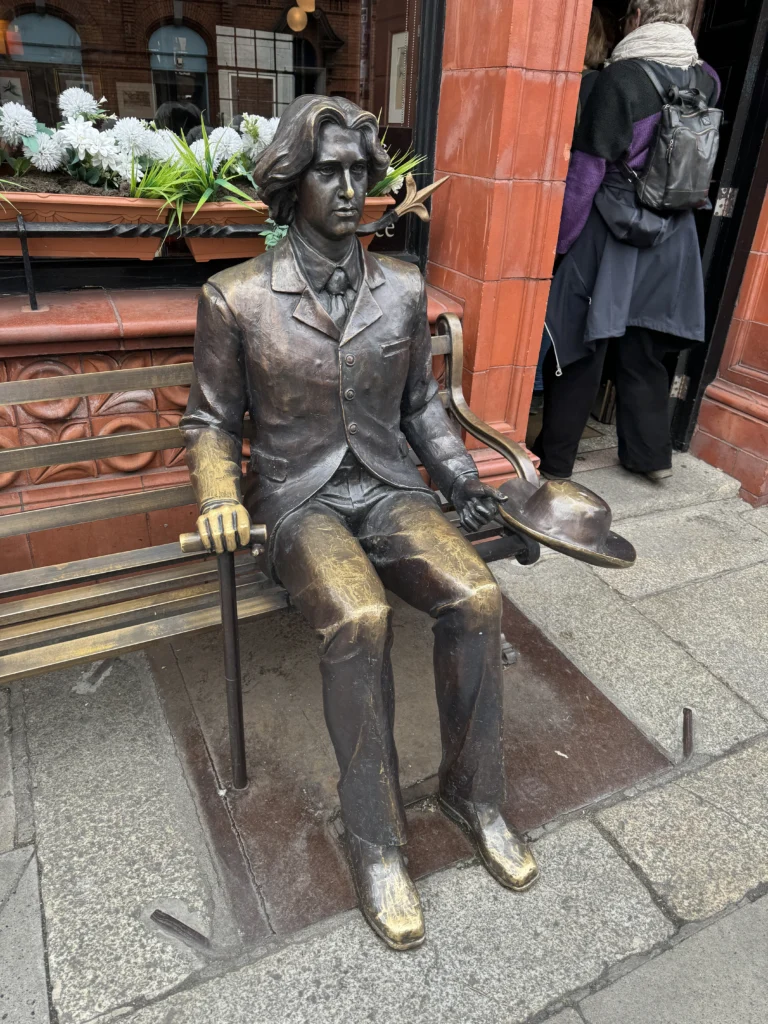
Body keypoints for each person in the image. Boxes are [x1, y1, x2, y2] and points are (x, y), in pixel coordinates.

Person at [180, 95, 539, 952]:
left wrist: (458, 478)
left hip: (386, 489)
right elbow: (208, 422)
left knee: (477, 596)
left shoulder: (403, 288)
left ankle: (474, 795)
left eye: (358, 173)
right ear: (290, 183)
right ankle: (376, 842)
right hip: (298, 502)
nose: (349, 189)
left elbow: (420, 406)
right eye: (328, 172)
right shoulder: (236, 298)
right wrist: (220, 496)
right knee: (361, 615)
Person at [532, 0, 720, 482]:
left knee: (581, 343)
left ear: (636, 18)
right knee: (643, 346)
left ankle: (556, 463)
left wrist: (558, 244)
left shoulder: (620, 80)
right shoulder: (708, 79)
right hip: (674, 233)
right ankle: (650, 456)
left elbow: (586, 173)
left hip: (611, 230)